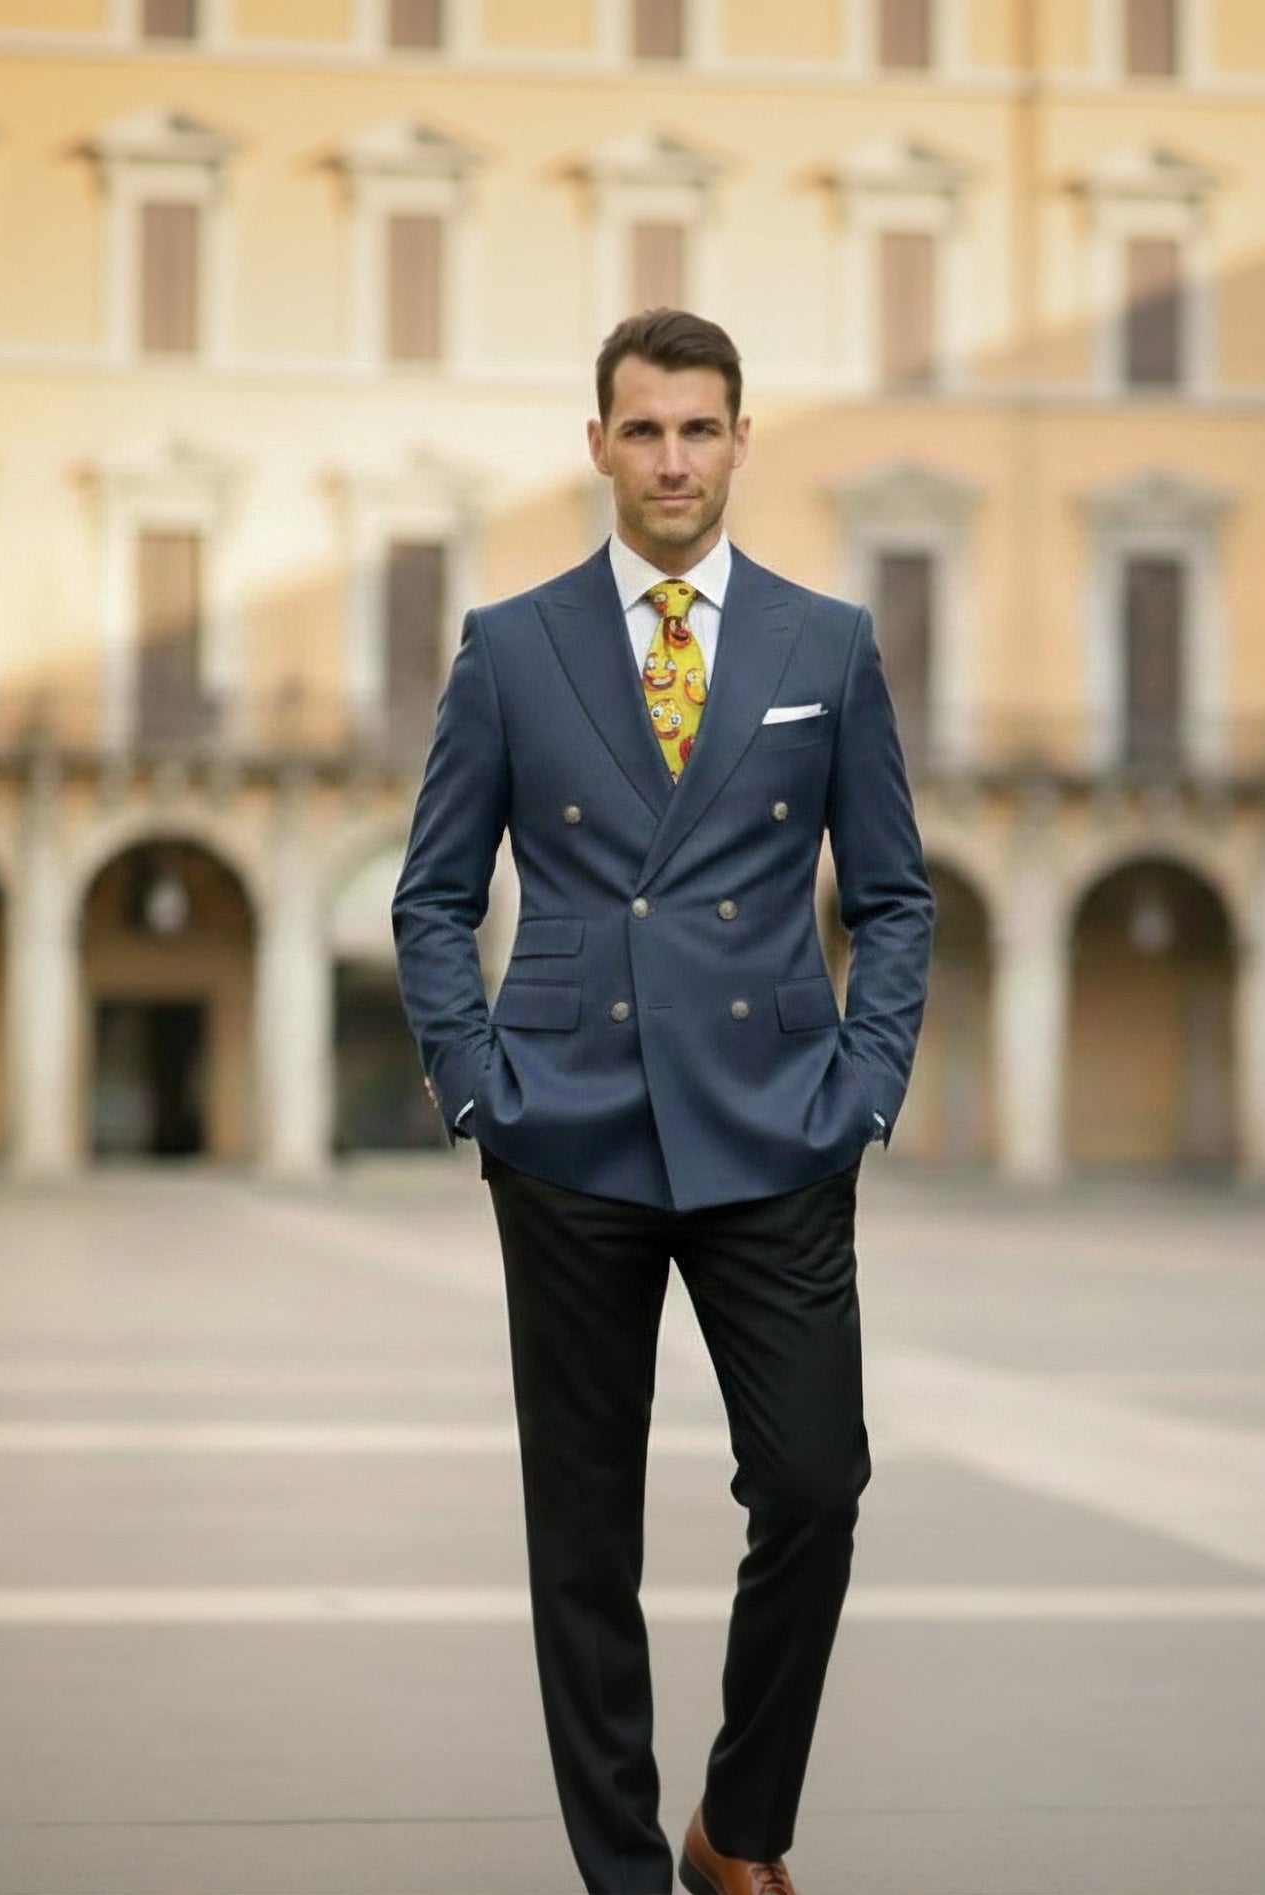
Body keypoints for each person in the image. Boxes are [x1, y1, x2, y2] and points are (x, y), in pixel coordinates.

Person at [392, 309, 934, 1895]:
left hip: (777, 1124)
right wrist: (477, 1086)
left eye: (699, 429)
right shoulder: (511, 645)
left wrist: (865, 1085)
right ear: (598, 446)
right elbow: (432, 898)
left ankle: (735, 1829)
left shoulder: (824, 644)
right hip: (567, 1127)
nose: (673, 459)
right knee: (582, 1534)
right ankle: (623, 1876)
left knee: (814, 1486)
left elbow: (891, 897)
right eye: (643, 430)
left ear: (741, 441)